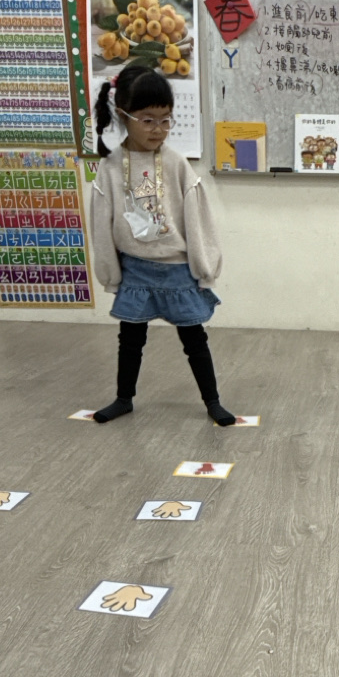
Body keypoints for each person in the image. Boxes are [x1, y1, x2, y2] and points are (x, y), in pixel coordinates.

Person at [90, 63, 234, 425]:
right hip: (135, 269)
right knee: (130, 339)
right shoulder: (110, 167)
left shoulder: (176, 163)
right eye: (148, 120)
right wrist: (111, 274)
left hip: (176, 270)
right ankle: (124, 398)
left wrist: (204, 268)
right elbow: (102, 225)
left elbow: (197, 220)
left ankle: (213, 401)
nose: (158, 129)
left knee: (194, 340)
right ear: (123, 115)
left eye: (166, 120)